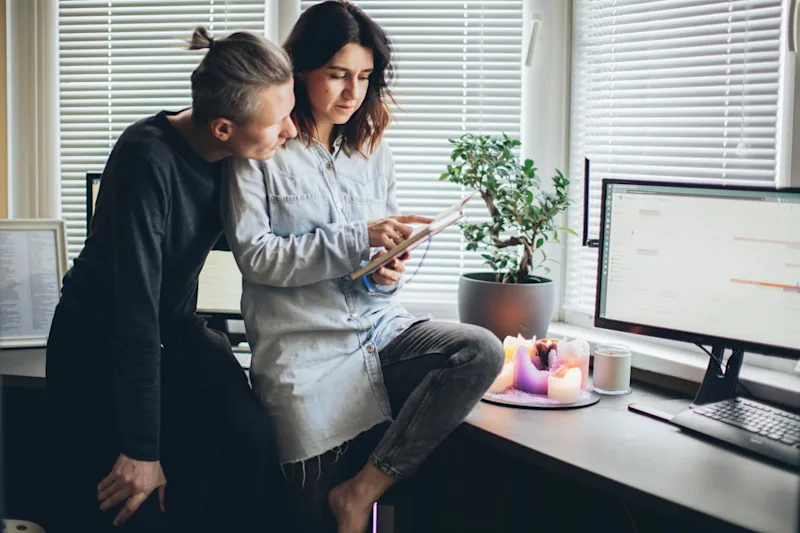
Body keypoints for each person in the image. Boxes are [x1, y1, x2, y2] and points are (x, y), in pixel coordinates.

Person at [222, 2, 505, 532]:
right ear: (299, 70)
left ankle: (360, 494)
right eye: (337, 76)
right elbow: (256, 257)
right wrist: (358, 238)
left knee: (479, 350)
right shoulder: (259, 148)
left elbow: (372, 262)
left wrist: (384, 267)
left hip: (379, 333)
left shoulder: (374, 150)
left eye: (364, 77)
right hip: (305, 361)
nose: (352, 93)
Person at [45, 27, 296, 533]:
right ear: (224, 128)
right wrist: (141, 449)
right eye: (279, 122)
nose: (290, 130)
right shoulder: (147, 158)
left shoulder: (235, 158)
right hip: (101, 342)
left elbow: (269, 243)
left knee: (251, 443)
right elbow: (136, 312)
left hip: (174, 334)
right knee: (131, 505)